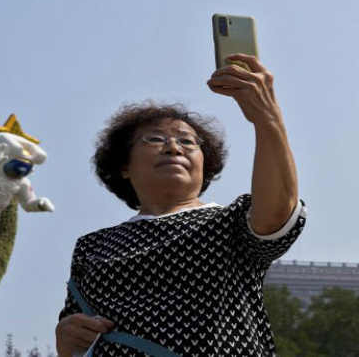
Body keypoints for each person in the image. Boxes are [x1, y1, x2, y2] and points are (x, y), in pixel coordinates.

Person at [55, 54, 304, 356]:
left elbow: (278, 211)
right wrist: (66, 340)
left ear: (205, 165)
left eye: (188, 142)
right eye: (155, 139)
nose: (174, 146)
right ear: (124, 166)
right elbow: (74, 341)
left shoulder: (231, 222)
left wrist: (267, 118)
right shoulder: (92, 246)